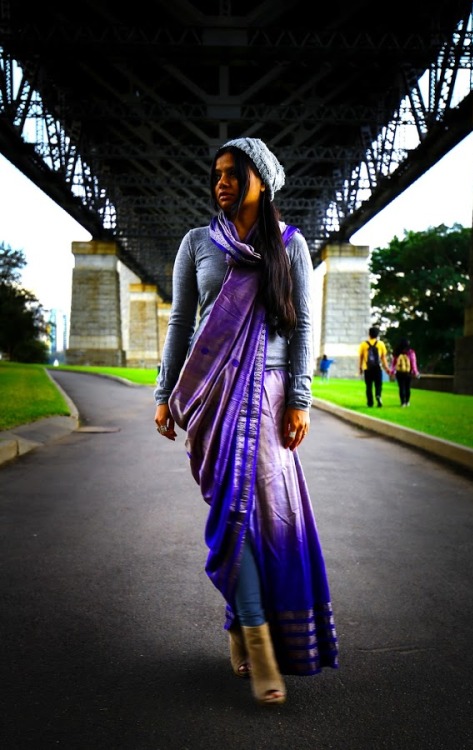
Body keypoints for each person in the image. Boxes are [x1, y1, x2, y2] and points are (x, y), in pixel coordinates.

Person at [154, 137, 338, 707]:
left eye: (234, 173)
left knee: (255, 517)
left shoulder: (289, 246)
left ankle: (255, 636)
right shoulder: (197, 244)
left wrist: (300, 400)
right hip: (211, 396)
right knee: (232, 512)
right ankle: (247, 626)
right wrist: (166, 393)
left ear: (262, 179)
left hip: (271, 391)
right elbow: (182, 321)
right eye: (217, 174)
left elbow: (303, 325)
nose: (222, 182)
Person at [358, 325, 390, 407]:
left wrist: (360, 368)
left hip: (367, 368)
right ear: (377, 335)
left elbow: (361, 357)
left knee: (369, 386)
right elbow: (383, 357)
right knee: (378, 384)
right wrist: (386, 368)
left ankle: (370, 402)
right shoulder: (381, 344)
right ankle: (378, 395)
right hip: (377, 368)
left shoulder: (364, 344)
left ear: (369, 334)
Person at [390, 338, 420, 406]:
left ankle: (402, 402)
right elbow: (413, 363)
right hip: (408, 373)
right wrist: (416, 372)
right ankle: (407, 401)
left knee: (401, 387)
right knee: (407, 387)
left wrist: (392, 372)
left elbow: (394, 363)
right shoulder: (411, 352)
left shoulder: (397, 352)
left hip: (399, 373)